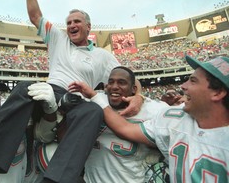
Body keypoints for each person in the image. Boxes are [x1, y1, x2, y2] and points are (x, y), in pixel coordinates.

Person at [0, 0, 144, 183]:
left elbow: (129, 78)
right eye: (69, 22)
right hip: (51, 89)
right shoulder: (58, 39)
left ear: (88, 27)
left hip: (77, 100)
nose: (71, 25)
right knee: (23, 88)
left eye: (77, 21)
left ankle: (54, 179)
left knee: (93, 112)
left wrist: (139, 96)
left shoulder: (103, 56)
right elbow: (35, 16)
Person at [73, 55, 229, 182]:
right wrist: (95, 98)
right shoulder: (174, 117)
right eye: (111, 82)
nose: (183, 86)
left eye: (193, 81)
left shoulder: (155, 109)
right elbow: (125, 128)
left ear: (217, 93)